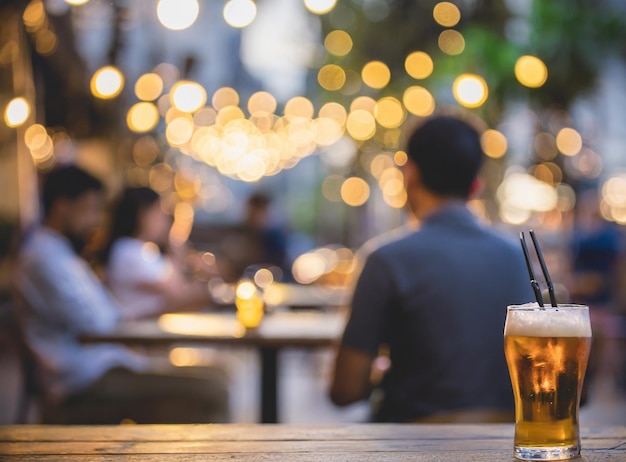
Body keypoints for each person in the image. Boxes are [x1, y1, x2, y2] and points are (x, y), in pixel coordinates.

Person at [329, 115, 534, 423]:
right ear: (476, 183)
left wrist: (381, 373)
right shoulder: (518, 256)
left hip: (413, 444)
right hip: (507, 441)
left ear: (409, 173)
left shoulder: (385, 260)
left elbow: (345, 391)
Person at [13, 165, 228, 424]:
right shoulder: (44, 258)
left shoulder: (58, 253)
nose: (94, 221)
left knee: (217, 376)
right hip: (83, 382)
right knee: (212, 390)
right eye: (89, 209)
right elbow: (96, 321)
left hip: (102, 366)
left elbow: (107, 314)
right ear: (62, 206)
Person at [102, 186, 213, 319]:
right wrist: (174, 239)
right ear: (143, 215)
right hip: (137, 331)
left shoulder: (145, 250)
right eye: (159, 213)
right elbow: (178, 292)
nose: (165, 221)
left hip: (150, 328)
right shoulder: (128, 250)